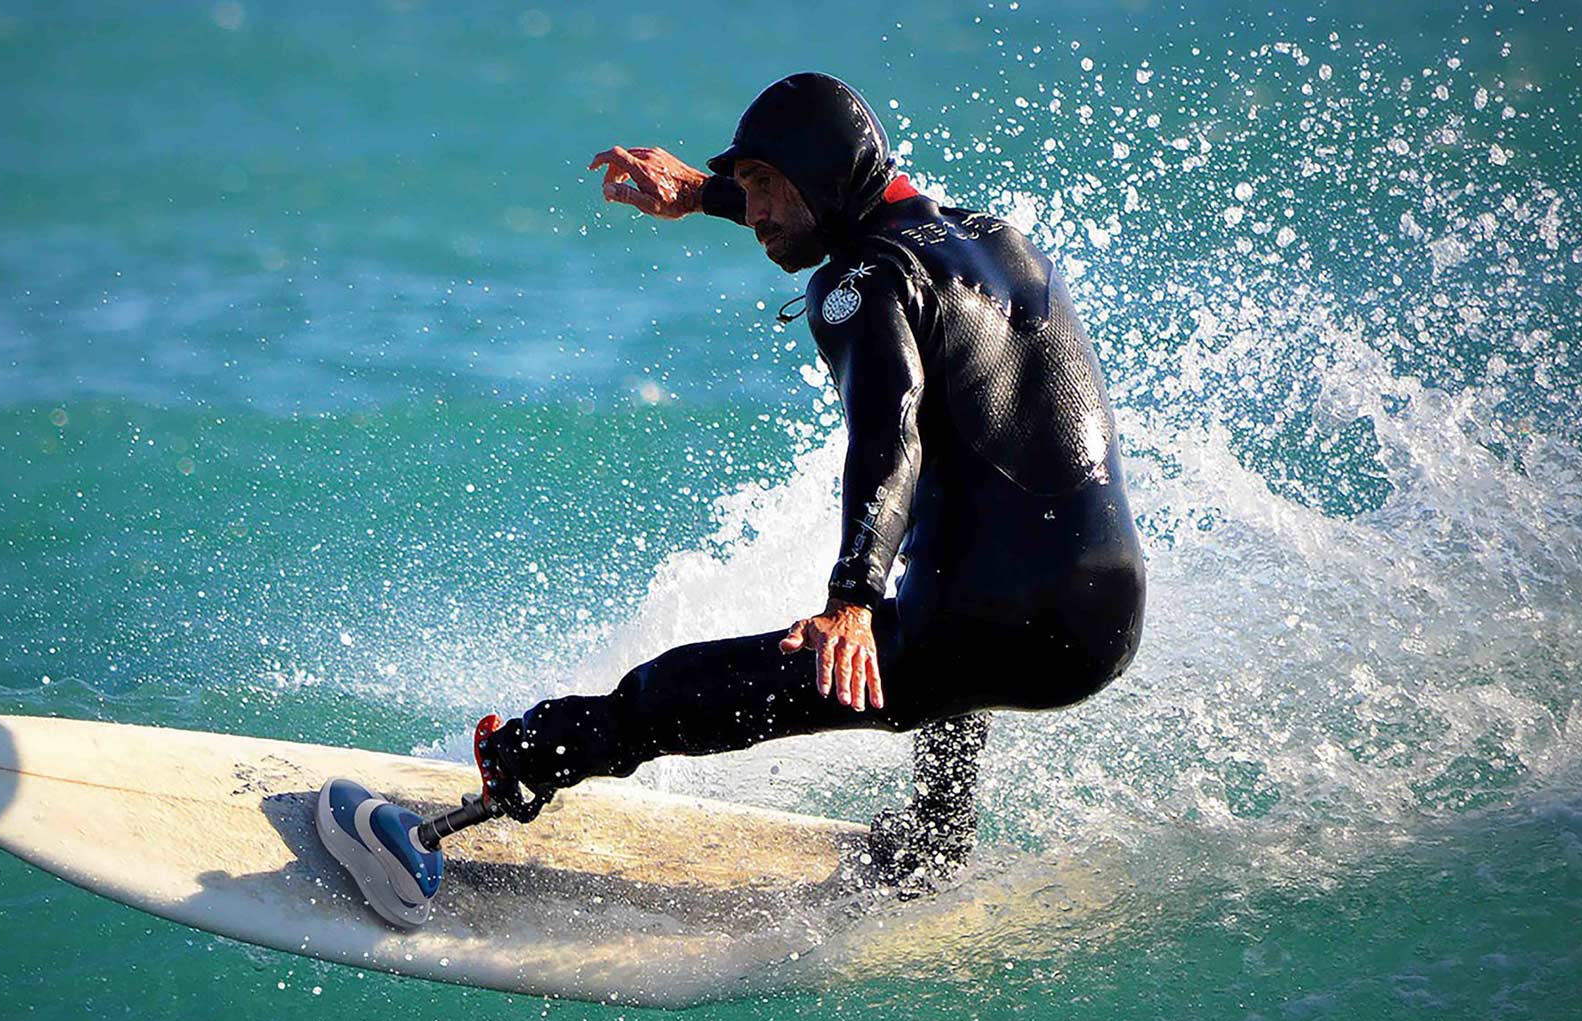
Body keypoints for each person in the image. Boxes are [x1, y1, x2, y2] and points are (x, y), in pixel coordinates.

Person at [323, 73, 1145, 909]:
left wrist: (850, 600)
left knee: (676, 694)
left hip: (1010, 623)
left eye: (765, 188)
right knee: (941, 624)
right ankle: (937, 838)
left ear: (824, 180)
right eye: (747, 188)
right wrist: (700, 194)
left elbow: (885, 437)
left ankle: (462, 813)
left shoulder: (862, 287)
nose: (754, 214)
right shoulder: (993, 242)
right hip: (1104, 612)